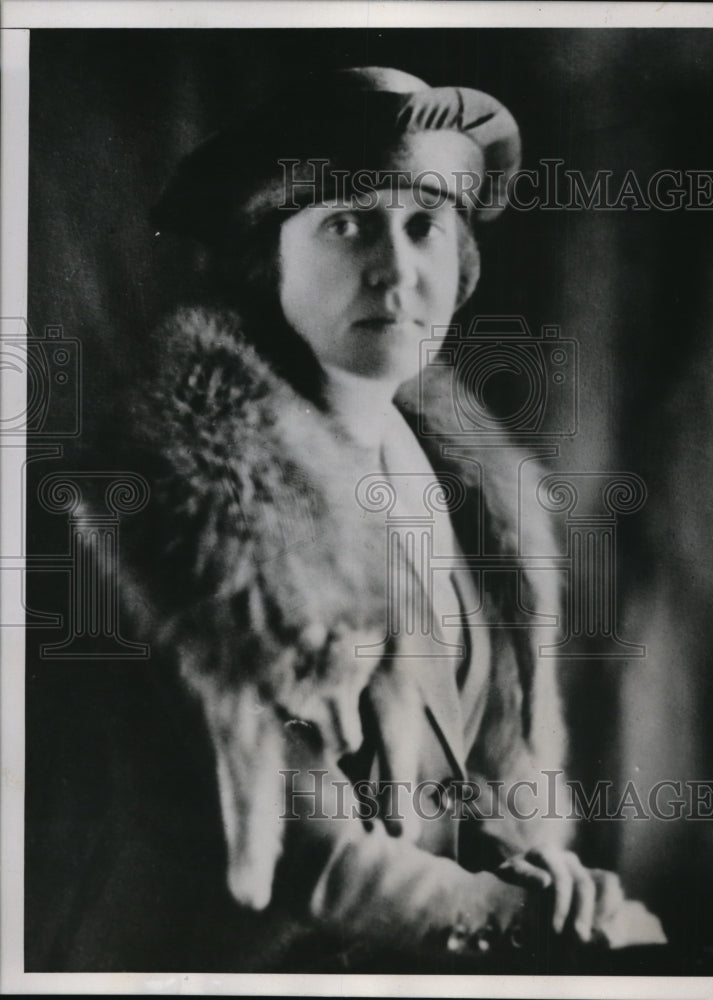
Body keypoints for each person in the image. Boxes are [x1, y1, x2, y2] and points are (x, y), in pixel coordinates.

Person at [57, 65, 664, 972]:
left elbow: (471, 791)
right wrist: (535, 926)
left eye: (425, 225)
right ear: (268, 259)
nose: (396, 267)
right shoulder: (181, 505)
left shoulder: (468, 496)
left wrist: (560, 888)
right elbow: (322, 861)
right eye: (347, 223)